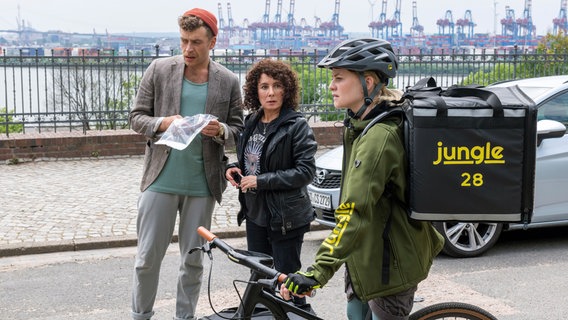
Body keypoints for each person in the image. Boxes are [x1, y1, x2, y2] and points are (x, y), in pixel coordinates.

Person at [281, 38, 445, 320]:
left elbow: (354, 212)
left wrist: (317, 272)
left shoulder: (378, 138)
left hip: (388, 269)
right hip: (365, 261)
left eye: (339, 78)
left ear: (368, 83)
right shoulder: (359, 125)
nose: (331, 86)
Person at [129, 8, 244, 320]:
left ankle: (185, 317)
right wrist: (164, 122)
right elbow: (136, 118)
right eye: (183, 41)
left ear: (213, 42)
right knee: (147, 259)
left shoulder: (229, 81)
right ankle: (141, 315)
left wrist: (220, 130)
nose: (188, 49)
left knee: (192, 261)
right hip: (161, 179)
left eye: (196, 42)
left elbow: (238, 130)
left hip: (202, 185)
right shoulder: (158, 69)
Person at [225, 59, 318, 308]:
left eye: (277, 86)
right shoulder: (251, 122)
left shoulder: (296, 126)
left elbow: (305, 171)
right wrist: (233, 167)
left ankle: (300, 313)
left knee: (290, 285)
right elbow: (253, 159)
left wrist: (261, 181)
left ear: (286, 89)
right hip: (255, 215)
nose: (271, 92)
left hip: (285, 217)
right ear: (255, 91)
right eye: (264, 86)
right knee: (260, 282)